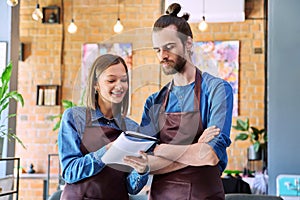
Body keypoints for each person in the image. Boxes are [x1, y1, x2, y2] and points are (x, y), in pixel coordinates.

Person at [139, 3, 233, 199]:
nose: (162, 56)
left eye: (169, 47)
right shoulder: (154, 102)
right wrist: (195, 148)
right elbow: (145, 163)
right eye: (157, 50)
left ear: (188, 43)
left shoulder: (217, 90)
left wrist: (162, 149)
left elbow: (209, 155)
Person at [58, 54, 149, 200]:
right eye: (111, 80)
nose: (119, 86)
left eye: (124, 80)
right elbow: (69, 172)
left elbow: (131, 188)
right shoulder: (75, 117)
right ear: (96, 84)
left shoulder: (132, 127)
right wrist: (105, 152)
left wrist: (141, 171)